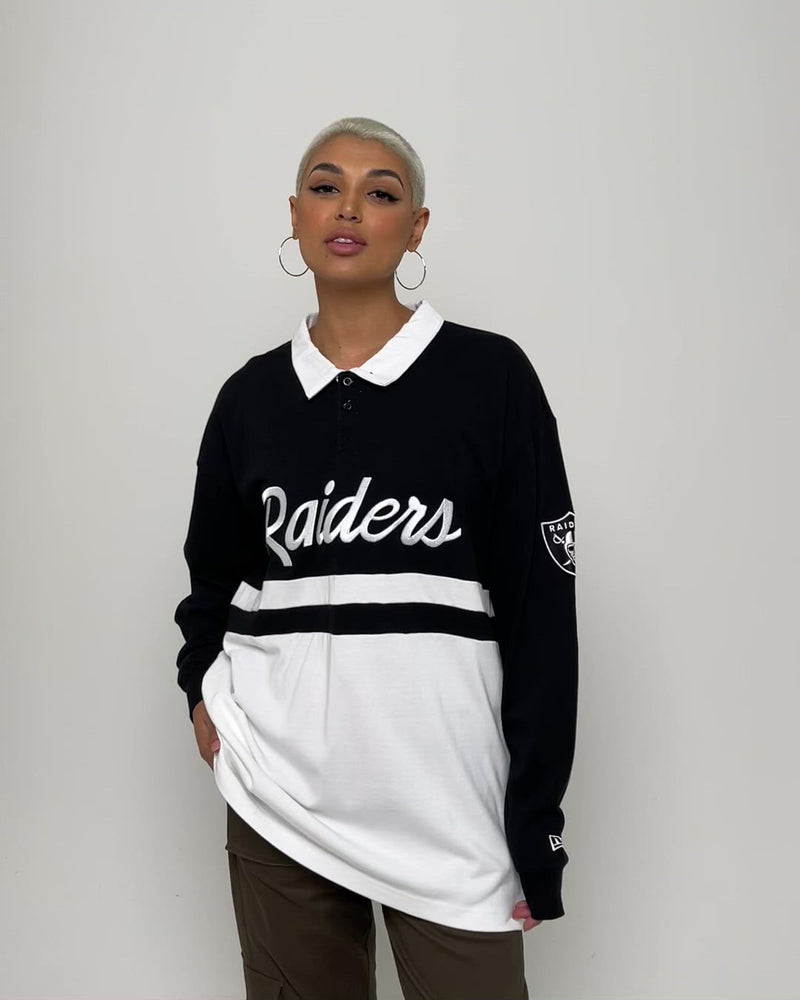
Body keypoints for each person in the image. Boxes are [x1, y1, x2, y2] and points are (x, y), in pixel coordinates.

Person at [174, 115, 579, 1000]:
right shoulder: (249, 398)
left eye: (381, 192)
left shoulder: (491, 379)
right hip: (278, 787)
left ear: (417, 226)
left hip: (447, 800)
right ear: (296, 213)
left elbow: (542, 612)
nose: (349, 208)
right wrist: (201, 685)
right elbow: (212, 575)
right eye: (326, 187)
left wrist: (535, 825)